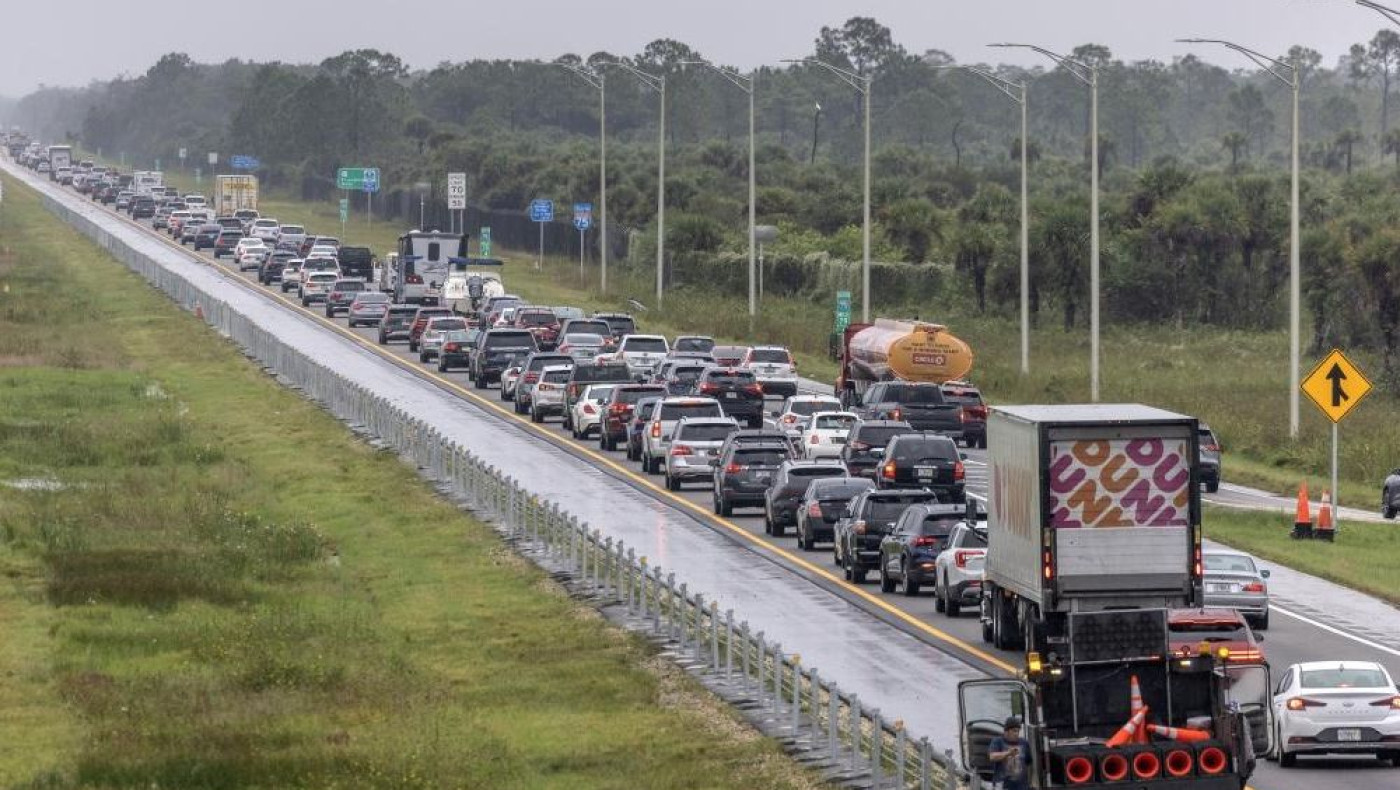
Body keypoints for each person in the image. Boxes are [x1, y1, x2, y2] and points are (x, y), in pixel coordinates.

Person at [988, 716, 1032, 790]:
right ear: (1006, 731)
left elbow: (1029, 763)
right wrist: (1008, 753)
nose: (1016, 734)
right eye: (1014, 731)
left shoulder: (1024, 743)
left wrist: (1030, 783)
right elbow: (992, 757)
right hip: (1003, 786)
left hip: (1022, 786)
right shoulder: (998, 741)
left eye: (1018, 731)